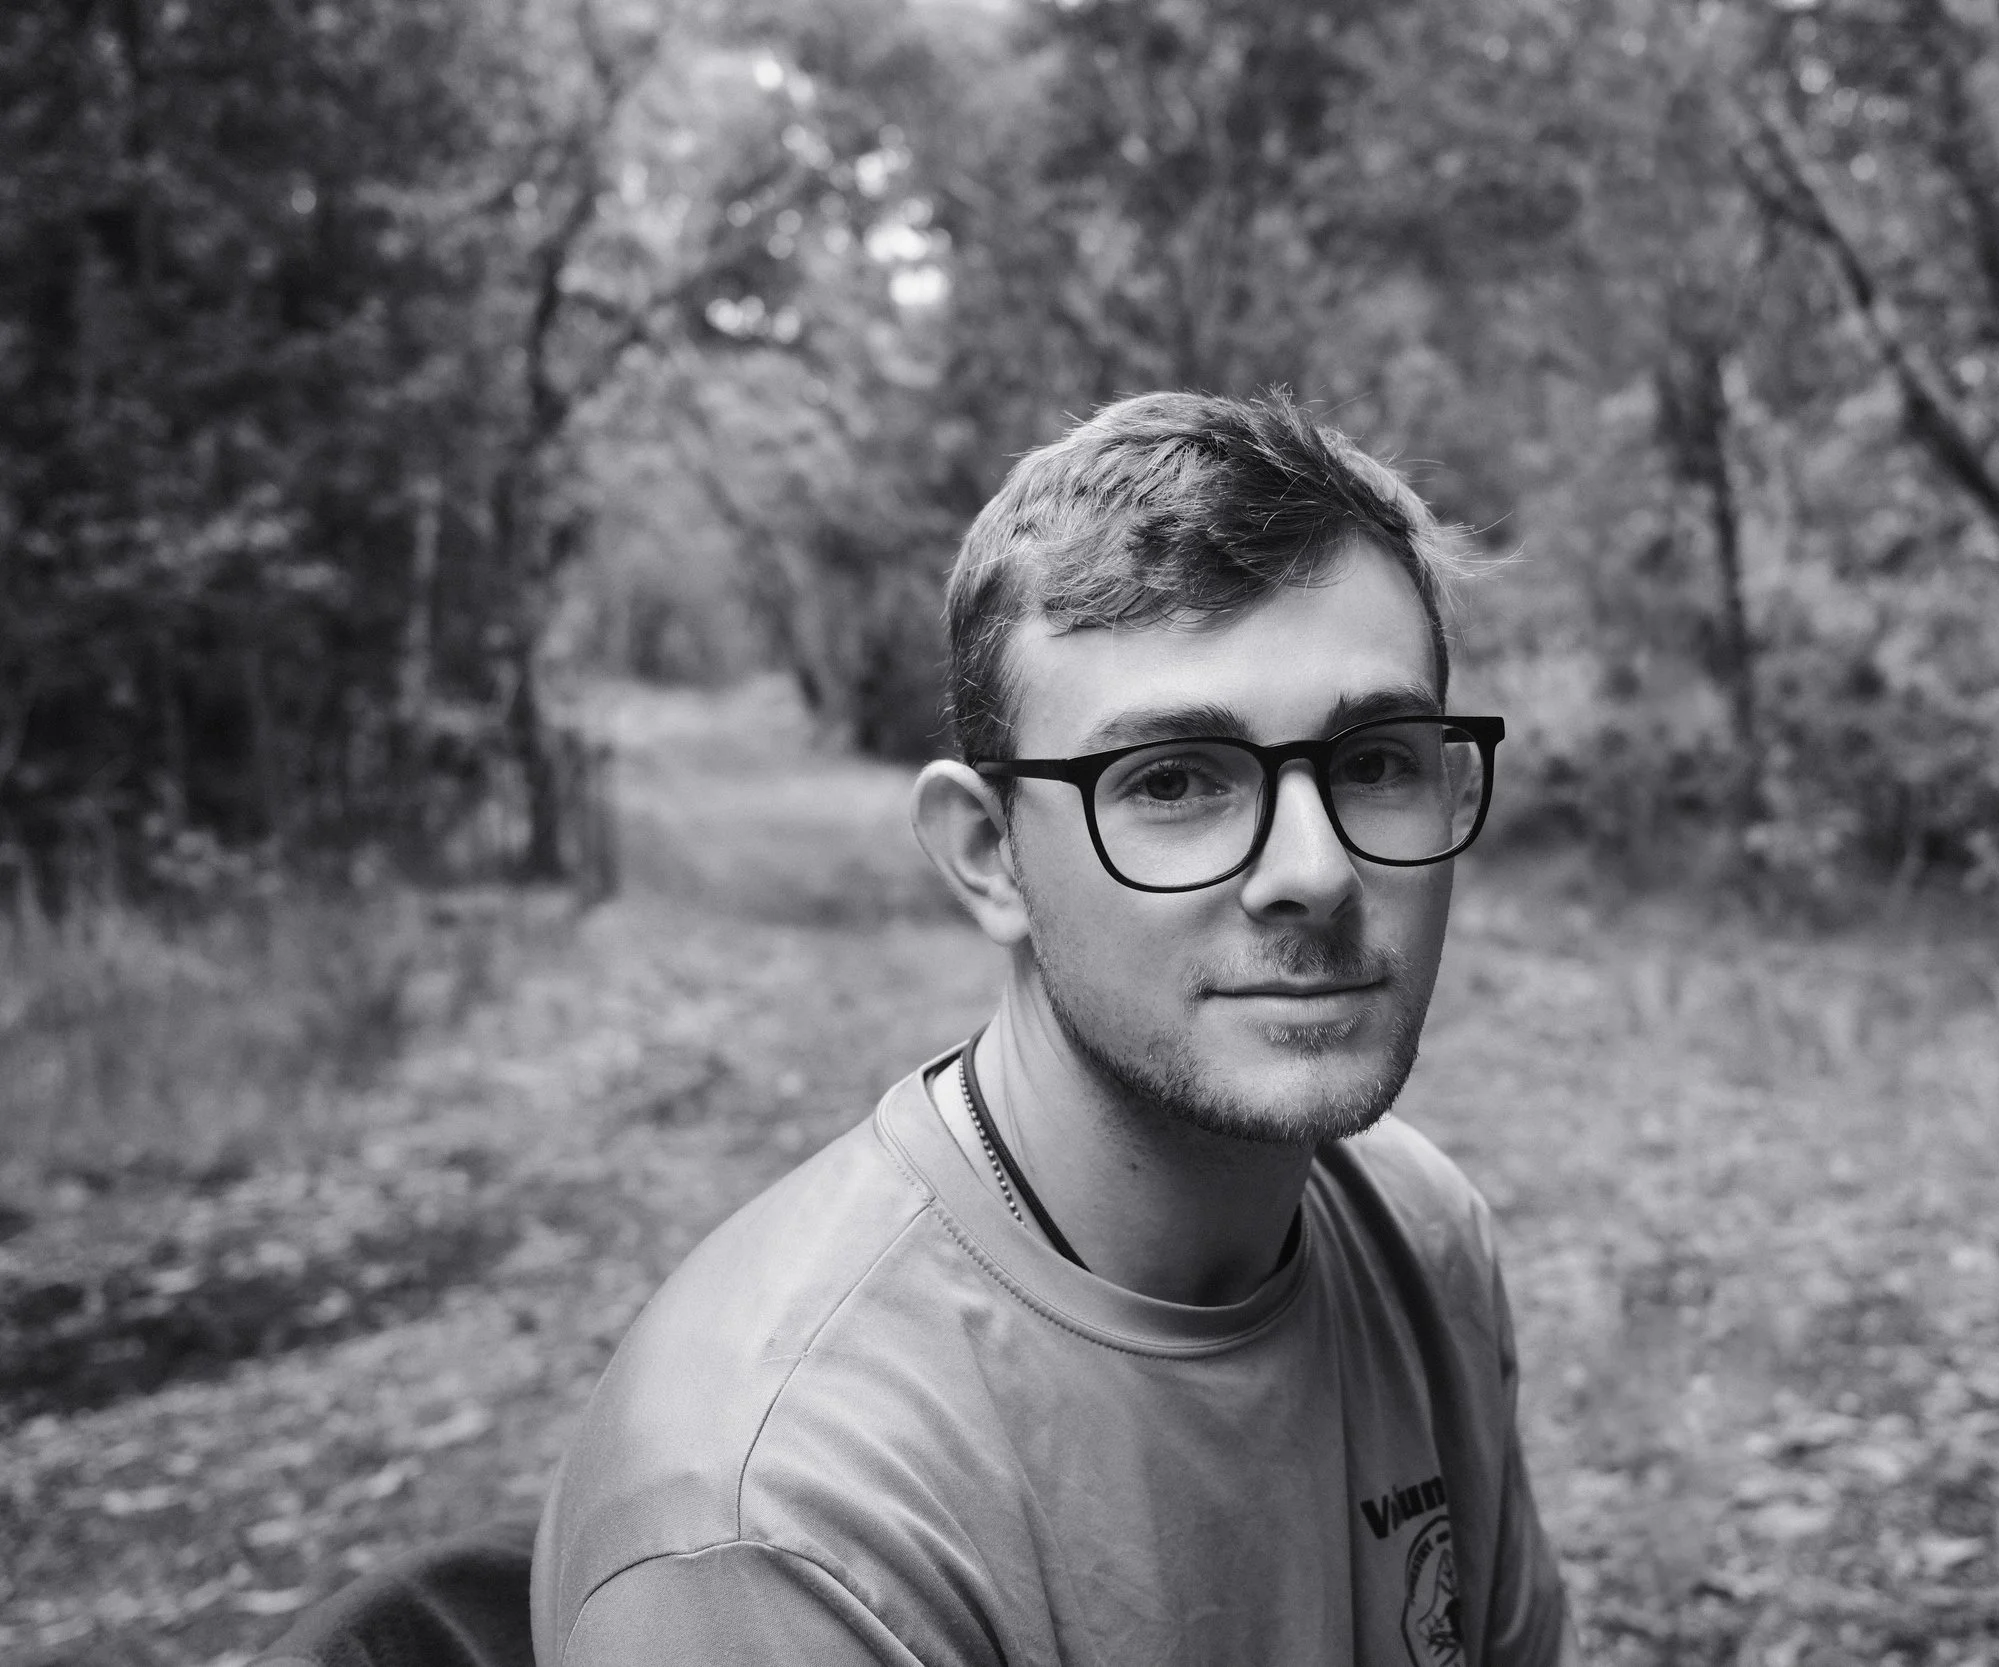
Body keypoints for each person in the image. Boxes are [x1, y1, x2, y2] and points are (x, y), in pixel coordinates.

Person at [531, 391, 1578, 1666]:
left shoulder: (1421, 1235)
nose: (1313, 869)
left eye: (1374, 763)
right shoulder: (786, 1525)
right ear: (989, 855)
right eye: (1174, 780)